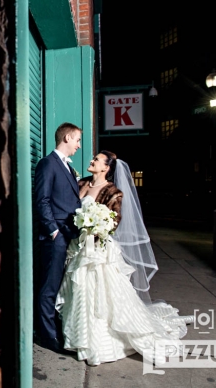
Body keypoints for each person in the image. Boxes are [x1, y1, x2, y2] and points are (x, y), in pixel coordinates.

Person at [55, 150, 193, 366]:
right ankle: (78, 336)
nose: (92, 161)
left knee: (99, 294)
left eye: (97, 160)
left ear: (106, 168)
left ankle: (98, 341)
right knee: (78, 290)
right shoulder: (80, 183)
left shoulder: (113, 192)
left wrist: (95, 228)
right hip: (76, 247)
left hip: (98, 251)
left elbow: (114, 222)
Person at [33, 122, 82, 353]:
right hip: (55, 237)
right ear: (67, 138)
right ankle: (47, 337)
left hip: (67, 235)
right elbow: (42, 200)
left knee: (57, 287)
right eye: (77, 140)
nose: (78, 146)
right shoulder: (47, 164)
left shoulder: (68, 168)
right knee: (48, 288)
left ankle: (54, 330)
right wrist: (53, 231)